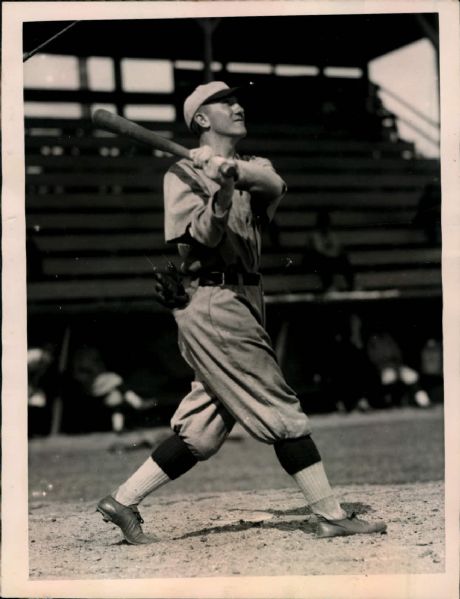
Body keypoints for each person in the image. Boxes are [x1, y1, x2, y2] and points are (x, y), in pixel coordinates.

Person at [97, 81, 387, 544]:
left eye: (236, 99)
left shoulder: (256, 165)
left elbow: (274, 185)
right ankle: (330, 514)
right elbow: (203, 240)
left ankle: (123, 501)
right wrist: (219, 194)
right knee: (279, 407)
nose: (237, 106)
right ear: (201, 120)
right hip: (213, 299)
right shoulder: (180, 175)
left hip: (246, 299)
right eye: (224, 103)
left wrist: (230, 171)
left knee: (204, 428)